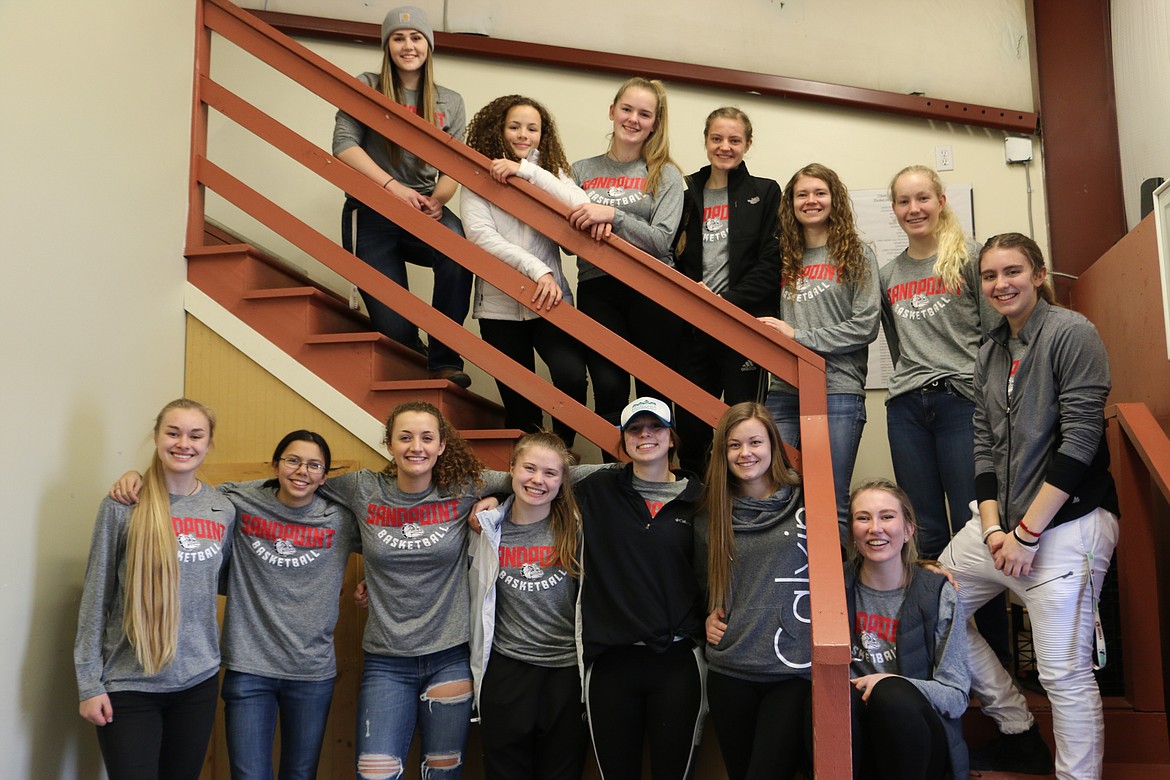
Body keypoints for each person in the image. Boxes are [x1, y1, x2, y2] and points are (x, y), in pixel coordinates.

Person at [941, 233, 1118, 779]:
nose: (1001, 284)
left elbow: (1082, 440)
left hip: (1069, 523)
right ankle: (1016, 726)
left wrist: (1027, 535)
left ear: (1039, 275)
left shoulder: (1072, 333)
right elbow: (984, 445)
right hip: (1005, 523)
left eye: (1012, 271)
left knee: (1063, 672)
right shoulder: (990, 349)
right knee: (934, 602)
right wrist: (995, 531)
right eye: (990, 276)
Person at [109, 430, 362, 780]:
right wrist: (139, 476)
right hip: (248, 667)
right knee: (248, 775)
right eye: (292, 460)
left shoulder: (341, 520)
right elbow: (186, 491)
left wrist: (370, 585)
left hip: (311, 670)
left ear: (324, 475)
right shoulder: (237, 502)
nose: (302, 471)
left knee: (301, 774)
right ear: (275, 465)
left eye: (314, 465)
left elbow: (390, 552)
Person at [319, 401, 509, 779]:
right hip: (386, 660)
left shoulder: (463, 487)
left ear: (441, 446)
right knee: (376, 772)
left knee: (442, 774)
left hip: (449, 656)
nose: (415, 447)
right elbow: (300, 484)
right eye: (404, 437)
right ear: (389, 444)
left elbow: (533, 479)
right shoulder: (364, 488)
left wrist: (499, 501)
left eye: (427, 438)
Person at [75, 399, 236, 780]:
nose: (184, 443)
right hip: (130, 683)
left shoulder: (222, 509)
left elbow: (226, 580)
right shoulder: (123, 504)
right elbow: (96, 597)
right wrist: (88, 684)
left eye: (196, 435)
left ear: (209, 444)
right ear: (156, 437)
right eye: (173, 432)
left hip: (197, 681)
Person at [333, 5, 473, 387]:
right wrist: (393, 189)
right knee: (395, 334)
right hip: (373, 210)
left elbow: (453, 166)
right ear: (387, 45)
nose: (408, 45)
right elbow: (343, 145)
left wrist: (439, 200)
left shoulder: (450, 101)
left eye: (415, 38)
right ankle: (417, 361)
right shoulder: (367, 84)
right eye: (398, 38)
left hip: (425, 207)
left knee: (459, 252)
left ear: (428, 45)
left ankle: (445, 359)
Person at [575, 397, 706, 779]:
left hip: (677, 662)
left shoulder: (699, 499)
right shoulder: (598, 487)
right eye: (635, 428)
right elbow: (536, 477)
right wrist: (492, 498)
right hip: (611, 662)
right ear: (624, 440)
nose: (645, 435)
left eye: (656, 427)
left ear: (671, 438)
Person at [879, 164, 994, 559]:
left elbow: (996, 335)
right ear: (894, 208)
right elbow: (899, 346)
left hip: (961, 400)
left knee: (973, 519)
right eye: (904, 200)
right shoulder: (888, 274)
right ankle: (938, 618)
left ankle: (986, 624)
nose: (914, 208)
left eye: (923, 198)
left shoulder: (971, 257)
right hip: (906, 407)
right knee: (921, 524)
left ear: (941, 202)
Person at [463, 95, 592, 445]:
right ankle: (530, 467)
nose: (523, 135)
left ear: (542, 134)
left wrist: (527, 171)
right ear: (499, 129)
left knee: (570, 378)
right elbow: (480, 236)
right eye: (514, 127)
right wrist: (536, 269)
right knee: (520, 403)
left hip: (551, 300)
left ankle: (563, 453)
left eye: (532, 129)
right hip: (498, 307)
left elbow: (581, 205)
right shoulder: (478, 174)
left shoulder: (551, 172)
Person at [762, 163, 880, 539]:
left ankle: (836, 597)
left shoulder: (857, 253)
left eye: (819, 193)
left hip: (839, 390)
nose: (811, 201)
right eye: (802, 194)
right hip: (783, 391)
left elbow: (865, 326)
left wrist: (798, 336)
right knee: (775, 493)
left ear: (834, 199)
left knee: (831, 501)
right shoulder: (782, 256)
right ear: (791, 203)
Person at [696, 402, 810, 780]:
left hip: (791, 671)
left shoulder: (807, 500)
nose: (745, 453)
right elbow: (702, 583)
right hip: (731, 669)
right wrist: (707, 616)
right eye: (734, 445)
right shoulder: (709, 513)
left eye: (755, 442)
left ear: (774, 445)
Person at [469, 432, 587, 780]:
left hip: (566, 673)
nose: (538, 480)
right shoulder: (486, 526)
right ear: (511, 471)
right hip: (507, 669)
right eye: (529, 469)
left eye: (551, 473)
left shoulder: (578, 527)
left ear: (563, 480)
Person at [569, 78, 686, 427]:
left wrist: (612, 216)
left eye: (644, 114)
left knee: (654, 395)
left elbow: (662, 241)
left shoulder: (664, 174)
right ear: (612, 111)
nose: (634, 119)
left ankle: (658, 478)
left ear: (654, 123)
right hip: (598, 289)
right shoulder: (581, 170)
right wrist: (598, 226)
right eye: (627, 109)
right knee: (608, 389)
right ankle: (614, 477)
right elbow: (567, 236)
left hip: (653, 291)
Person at [673, 107, 781, 474]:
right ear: (706, 140)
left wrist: (722, 302)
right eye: (717, 138)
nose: (725, 146)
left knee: (744, 429)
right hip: (692, 329)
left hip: (742, 328)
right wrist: (692, 295)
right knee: (691, 427)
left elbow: (770, 264)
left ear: (748, 144)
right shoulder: (685, 188)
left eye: (735, 140)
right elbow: (668, 250)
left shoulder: (765, 193)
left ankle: (743, 511)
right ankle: (695, 509)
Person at [846, 479, 969, 780]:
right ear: (852, 531)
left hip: (920, 742)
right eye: (863, 518)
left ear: (909, 529)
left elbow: (956, 696)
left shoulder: (937, 593)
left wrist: (891, 683)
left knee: (891, 695)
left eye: (887, 516)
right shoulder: (833, 590)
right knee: (835, 698)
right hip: (859, 735)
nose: (875, 528)